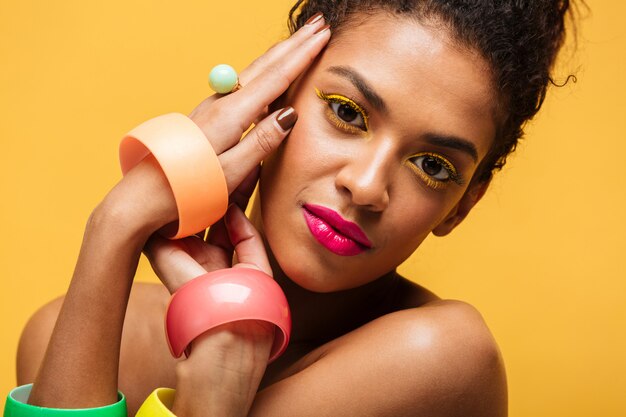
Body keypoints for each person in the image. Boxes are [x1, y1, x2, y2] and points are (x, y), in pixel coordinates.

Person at [11, 0, 577, 416]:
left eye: (433, 166)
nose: (366, 185)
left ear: (459, 207)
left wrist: (215, 393)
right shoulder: (71, 333)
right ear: (272, 96)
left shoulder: (441, 361)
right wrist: (113, 227)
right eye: (348, 113)